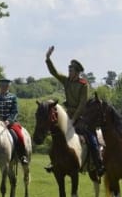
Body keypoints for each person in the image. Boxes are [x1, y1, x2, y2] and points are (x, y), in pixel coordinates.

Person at [45, 45, 105, 176]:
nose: (68, 72)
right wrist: (48, 59)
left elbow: (82, 104)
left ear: (77, 72)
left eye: (71, 70)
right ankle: (54, 161)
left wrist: (73, 119)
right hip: (68, 115)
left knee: (91, 138)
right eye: (68, 69)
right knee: (57, 135)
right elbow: (54, 72)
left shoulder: (83, 85)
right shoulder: (66, 81)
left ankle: (98, 163)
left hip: (82, 116)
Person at [0, 78, 29, 165]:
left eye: (6, 86)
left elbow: (15, 111)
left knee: (19, 135)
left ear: (8, 87)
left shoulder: (13, 97)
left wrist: (8, 121)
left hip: (10, 123)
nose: (4, 88)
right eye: (2, 86)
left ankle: (22, 156)